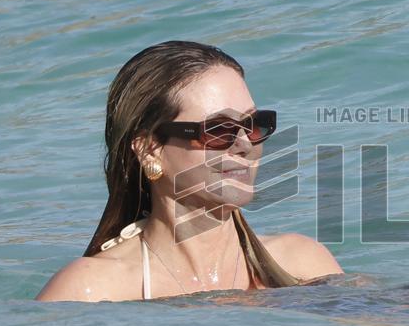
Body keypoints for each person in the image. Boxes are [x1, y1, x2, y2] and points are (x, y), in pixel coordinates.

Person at [37, 41, 341, 302]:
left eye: (253, 124)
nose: (245, 144)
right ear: (149, 148)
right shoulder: (92, 290)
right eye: (219, 130)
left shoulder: (301, 266)